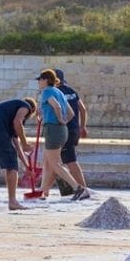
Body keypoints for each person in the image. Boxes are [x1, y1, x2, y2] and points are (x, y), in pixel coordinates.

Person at [34, 69, 82, 200]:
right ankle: (43, 192)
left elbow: (57, 107)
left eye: (40, 80)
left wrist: (59, 120)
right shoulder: (59, 91)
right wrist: (63, 121)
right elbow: (71, 112)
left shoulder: (46, 92)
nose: (38, 82)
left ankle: (78, 188)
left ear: (45, 80)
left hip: (53, 129)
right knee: (47, 161)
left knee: (55, 164)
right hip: (62, 130)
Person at [52, 69, 91, 199]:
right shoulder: (72, 91)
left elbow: (56, 110)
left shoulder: (57, 93)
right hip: (74, 129)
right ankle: (46, 190)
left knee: (70, 161)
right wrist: (82, 126)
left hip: (64, 130)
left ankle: (83, 189)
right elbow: (83, 109)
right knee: (56, 161)